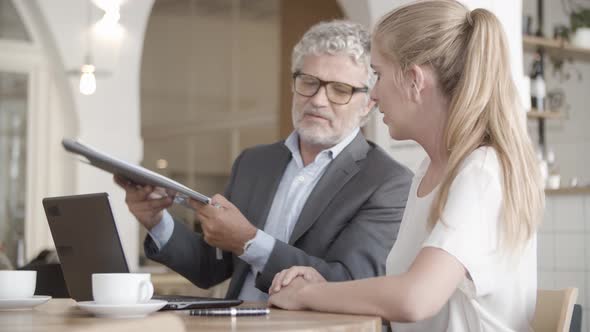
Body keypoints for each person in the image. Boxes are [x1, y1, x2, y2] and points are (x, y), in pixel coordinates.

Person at [268, 1, 545, 331]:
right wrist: (324, 288)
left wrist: (310, 294)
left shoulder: (481, 173)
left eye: (379, 74)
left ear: (414, 80)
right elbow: (399, 292)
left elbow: (414, 299)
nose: (375, 92)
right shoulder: (428, 170)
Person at [115, 20, 413, 302]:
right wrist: (156, 221)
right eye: (308, 82)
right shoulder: (254, 162)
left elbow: (353, 284)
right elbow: (209, 268)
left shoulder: (386, 181)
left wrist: (249, 241)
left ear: (369, 103)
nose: (318, 100)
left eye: (340, 90)